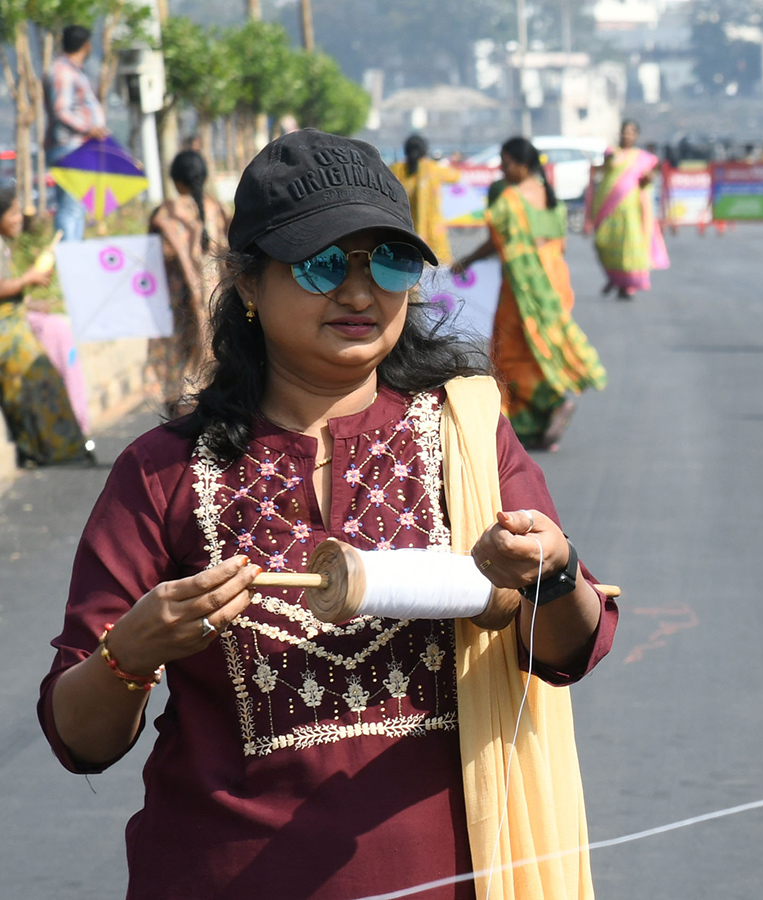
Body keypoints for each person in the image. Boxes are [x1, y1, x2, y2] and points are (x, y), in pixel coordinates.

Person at [38, 130, 618, 900]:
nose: (359, 293)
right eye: (321, 264)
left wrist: (556, 571)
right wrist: (130, 652)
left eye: (389, 261)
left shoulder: (467, 438)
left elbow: (569, 650)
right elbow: (81, 737)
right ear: (247, 284)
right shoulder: (163, 470)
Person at [457, 137, 607, 450]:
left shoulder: (510, 200)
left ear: (521, 164)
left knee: (510, 351)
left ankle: (549, 406)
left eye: (506, 162)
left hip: (522, 285)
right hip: (554, 283)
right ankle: (536, 425)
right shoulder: (551, 199)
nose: (502, 169)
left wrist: (467, 260)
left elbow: (497, 242)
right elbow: (560, 246)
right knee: (544, 346)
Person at [0, 178, 92, 465]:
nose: (19, 220)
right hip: (7, 335)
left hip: (15, 324)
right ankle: (43, 450)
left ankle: (45, 450)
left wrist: (29, 298)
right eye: (13, 213)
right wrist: (28, 279)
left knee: (36, 385)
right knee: (33, 383)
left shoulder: (4, 245)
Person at [145, 150, 230, 411]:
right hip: (214, 304)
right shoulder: (220, 210)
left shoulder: (165, 213)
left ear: (175, 180)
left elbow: (152, 256)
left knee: (176, 372)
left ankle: (179, 428)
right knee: (209, 365)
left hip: (175, 308)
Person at [586, 119, 669, 300]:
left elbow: (646, 183)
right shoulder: (611, 153)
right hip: (607, 206)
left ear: (636, 135)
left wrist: (648, 178)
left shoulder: (643, 159)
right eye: (625, 131)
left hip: (631, 208)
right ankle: (613, 278)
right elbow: (601, 171)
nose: (627, 135)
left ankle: (627, 284)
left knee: (628, 247)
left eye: (631, 132)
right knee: (602, 243)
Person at [44, 24, 107, 241]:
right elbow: (61, 110)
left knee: (78, 207)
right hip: (68, 146)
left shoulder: (71, 70)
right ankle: (69, 259)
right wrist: (89, 128)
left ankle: (74, 257)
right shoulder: (63, 71)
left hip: (77, 147)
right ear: (86, 45)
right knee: (70, 208)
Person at [391, 133, 461, 264]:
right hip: (434, 233)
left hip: (406, 232)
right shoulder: (433, 169)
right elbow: (456, 176)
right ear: (424, 150)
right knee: (438, 274)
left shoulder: (397, 169)